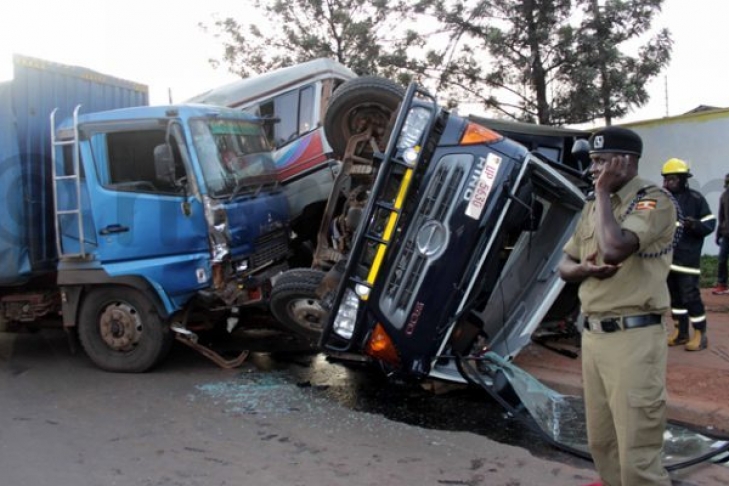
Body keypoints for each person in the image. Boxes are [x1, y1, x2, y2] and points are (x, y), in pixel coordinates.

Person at [558, 126, 676, 486]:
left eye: (601, 161)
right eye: (592, 161)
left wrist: (602, 192)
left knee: (636, 447)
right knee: (602, 441)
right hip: (594, 335)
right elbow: (564, 265)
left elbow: (613, 249)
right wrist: (583, 269)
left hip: (633, 337)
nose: (594, 169)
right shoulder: (595, 205)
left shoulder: (652, 200)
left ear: (625, 161)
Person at [661, 158, 715, 351]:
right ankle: (680, 332)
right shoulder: (664, 199)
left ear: (684, 179)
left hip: (687, 260)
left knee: (690, 297)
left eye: (673, 179)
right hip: (669, 260)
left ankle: (700, 334)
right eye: (666, 179)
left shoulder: (696, 199)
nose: (668, 183)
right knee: (675, 299)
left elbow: (710, 223)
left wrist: (695, 225)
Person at [713, 173, 729, 295]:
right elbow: (721, 217)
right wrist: (718, 234)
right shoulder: (724, 196)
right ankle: (722, 284)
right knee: (722, 259)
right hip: (726, 234)